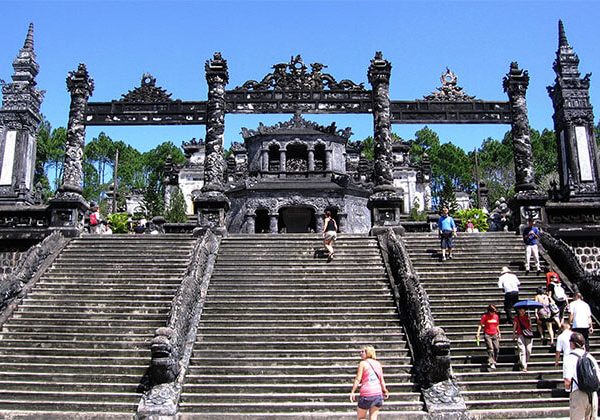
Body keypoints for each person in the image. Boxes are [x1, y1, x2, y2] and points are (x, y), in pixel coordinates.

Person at [563, 332, 600, 420]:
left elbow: (567, 381)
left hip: (578, 393)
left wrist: (568, 390)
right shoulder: (590, 357)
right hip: (593, 394)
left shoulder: (569, 358)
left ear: (572, 344)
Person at [350, 345, 389, 420]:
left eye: (363, 351)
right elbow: (381, 380)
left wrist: (353, 391)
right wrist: (385, 390)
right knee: (373, 418)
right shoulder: (378, 364)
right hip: (377, 394)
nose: (360, 353)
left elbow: (358, 379)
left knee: (361, 417)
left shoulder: (363, 363)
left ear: (368, 353)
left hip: (366, 394)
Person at [476, 304, 501, 370]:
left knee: (496, 348)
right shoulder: (485, 316)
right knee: (490, 348)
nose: (493, 313)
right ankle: (491, 362)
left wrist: (499, 332)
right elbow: (480, 325)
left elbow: (497, 325)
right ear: (489, 311)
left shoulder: (496, 316)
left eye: (494, 311)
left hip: (495, 334)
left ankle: (494, 360)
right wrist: (478, 333)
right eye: (492, 311)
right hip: (487, 334)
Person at [513, 307, 534, 371]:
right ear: (519, 311)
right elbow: (515, 326)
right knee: (522, 350)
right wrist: (514, 334)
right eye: (521, 311)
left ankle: (524, 362)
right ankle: (524, 366)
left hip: (528, 335)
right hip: (520, 334)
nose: (522, 312)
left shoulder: (527, 317)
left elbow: (530, 327)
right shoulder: (516, 318)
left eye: (523, 311)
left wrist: (530, 321)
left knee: (528, 350)